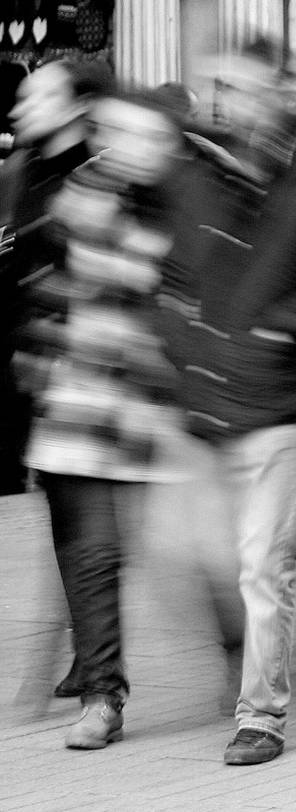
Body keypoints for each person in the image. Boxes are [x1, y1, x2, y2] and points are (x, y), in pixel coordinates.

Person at [156, 38, 296, 766]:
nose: (229, 100)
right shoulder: (200, 173)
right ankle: (248, 665)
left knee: (262, 568)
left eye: (243, 87)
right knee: (197, 559)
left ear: (277, 93)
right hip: (205, 405)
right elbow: (172, 275)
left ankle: (261, 717)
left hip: (279, 408)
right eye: (221, 87)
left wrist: (281, 327)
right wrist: (180, 340)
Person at [15, 86, 184, 749]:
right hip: (82, 404)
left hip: (158, 407)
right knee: (94, 555)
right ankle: (102, 697)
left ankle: (243, 664)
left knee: (197, 559)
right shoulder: (78, 195)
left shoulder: (185, 202)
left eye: (138, 132)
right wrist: (42, 343)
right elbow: (47, 284)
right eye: (113, 130)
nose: (122, 144)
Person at [1, 59, 115, 699]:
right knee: (69, 518)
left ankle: (95, 662)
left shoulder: (97, 173)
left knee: (91, 526)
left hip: (90, 372)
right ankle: (88, 653)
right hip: (37, 371)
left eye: (36, 98)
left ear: (75, 106)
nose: (19, 110)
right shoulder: (22, 172)